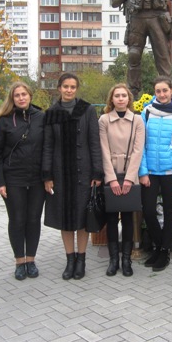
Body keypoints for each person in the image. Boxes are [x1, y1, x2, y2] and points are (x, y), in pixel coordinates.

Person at [43, 73, 103, 280]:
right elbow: (48, 146)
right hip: (60, 174)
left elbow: (94, 142)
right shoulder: (52, 112)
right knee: (65, 219)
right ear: (59, 88)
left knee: (82, 219)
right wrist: (47, 175)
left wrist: (97, 172)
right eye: (65, 86)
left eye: (72, 87)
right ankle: (70, 260)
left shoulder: (87, 110)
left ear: (76, 89)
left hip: (83, 173)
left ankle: (81, 260)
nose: (69, 90)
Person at [0, 82, 45, 281]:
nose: (21, 98)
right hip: (13, 177)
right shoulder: (3, 121)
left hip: (37, 178)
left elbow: (48, 148)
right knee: (17, 219)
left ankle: (31, 260)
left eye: (24, 94)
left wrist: (48, 176)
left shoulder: (41, 117)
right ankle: (20, 262)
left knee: (33, 219)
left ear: (30, 96)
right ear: (12, 98)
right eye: (17, 95)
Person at [139, 76, 172, 272]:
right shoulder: (146, 113)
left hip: (171, 171)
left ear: (171, 91)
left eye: (165, 90)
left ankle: (164, 251)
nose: (161, 94)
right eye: (158, 91)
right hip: (150, 172)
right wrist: (143, 172)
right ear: (154, 92)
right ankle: (159, 246)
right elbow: (140, 146)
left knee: (169, 212)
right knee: (148, 211)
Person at [98, 84, 145, 277]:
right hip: (111, 173)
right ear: (112, 99)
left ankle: (126, 260)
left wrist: (129, 179)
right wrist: (111, 179)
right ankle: (113, 260)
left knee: (127, 218)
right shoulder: (103, 120)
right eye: (116, 95)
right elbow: (103, 150)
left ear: (129, 99)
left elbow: (138, 150)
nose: (120, 99)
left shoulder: (137, 120)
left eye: (123, 95)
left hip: (129, 174)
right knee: (111, 218)